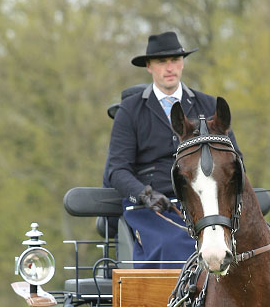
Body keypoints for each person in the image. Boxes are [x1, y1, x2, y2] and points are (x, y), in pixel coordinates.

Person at [103, 30, 241, 218]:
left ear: (182, 63)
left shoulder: (209, 106)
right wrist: (145, 195)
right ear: (149, 66)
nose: (170, 68)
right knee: (174, 246)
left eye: (175, 60)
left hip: (206, 207)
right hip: (152, 209)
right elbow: (118, 170)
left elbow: (235, 159)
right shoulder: (129, 111)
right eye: (162, 62)